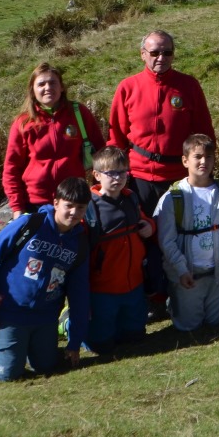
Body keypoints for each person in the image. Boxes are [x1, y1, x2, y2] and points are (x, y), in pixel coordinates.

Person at [108, 31, 215, 306]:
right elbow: (116, 139)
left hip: (179, 179)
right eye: (155, 52)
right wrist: (117, 180)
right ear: (143, 53)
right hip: (139, 178)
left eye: (167, 52)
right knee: (142, 238)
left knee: (181, 239)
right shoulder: (127, 87)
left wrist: (205, 175)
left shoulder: (188, 86)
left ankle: (185, 293)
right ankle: (150, 296)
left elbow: (204, 133)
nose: (161, 58)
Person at [0, 176, 91, 381]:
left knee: (47, 367)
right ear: (56, 203)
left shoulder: (80, 243)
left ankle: (30, 351)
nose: (74, 213)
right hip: (11, 311)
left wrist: (75, 342)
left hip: (46, 317)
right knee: (7, 373)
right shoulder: (29, 223)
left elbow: (79, 293)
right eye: (69, 206)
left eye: (81, 208)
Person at [154, 134, 219, 334]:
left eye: (209, 157)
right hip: (188, 274)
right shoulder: (173, 198)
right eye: (198, 156)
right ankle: (175, 301)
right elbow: (166, 241)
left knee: (215, 322)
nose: (204, 161)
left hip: (218, 274)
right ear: (185, 160)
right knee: (189, 326)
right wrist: (181, 270)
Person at [2, 63, 106, 216]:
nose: (47, 87)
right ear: (32, 90)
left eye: (52, 82)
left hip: (74, 200)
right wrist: (17, 207)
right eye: (41, 84)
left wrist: (100, 190)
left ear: (62, 87)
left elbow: (101, 154)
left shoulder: (78, 113)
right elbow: (11, 168)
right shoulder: (23, 123)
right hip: (36, 202)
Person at [83, 146, 152, 354]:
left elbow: (143, 220)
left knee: (135, 337)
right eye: (111, 173)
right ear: (96, 175)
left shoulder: (130, 197)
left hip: (133, 283)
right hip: (104, 288)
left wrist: (150, 226)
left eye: (122, 172)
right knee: (101, 346)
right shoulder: (89, 206)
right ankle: (69, 323)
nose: (117, 178)